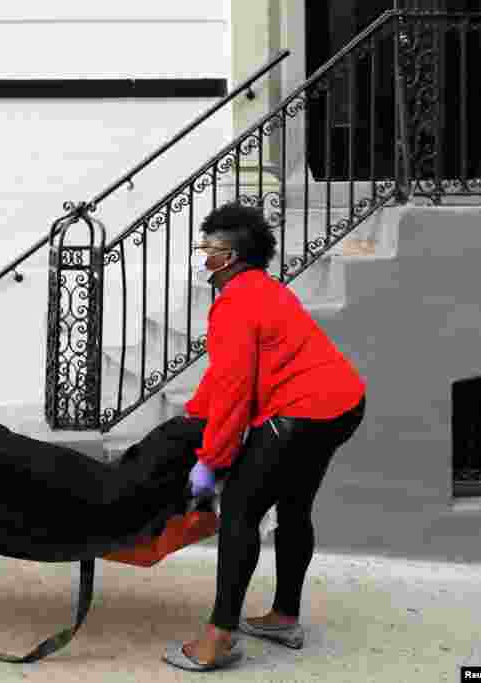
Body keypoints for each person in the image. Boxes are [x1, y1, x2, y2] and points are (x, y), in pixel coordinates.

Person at [162, 203, 366, 672]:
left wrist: (211, 461)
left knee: (239, 510)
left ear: (228, 256)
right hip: (343, 404)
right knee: (294, 506)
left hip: (302, 412)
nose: (200, 255)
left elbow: (236, 392)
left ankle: (218, 638)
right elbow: (228, 374)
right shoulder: (263, 290)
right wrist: (196, 415)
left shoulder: (234, 303)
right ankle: (283, 617)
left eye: (205, 248)